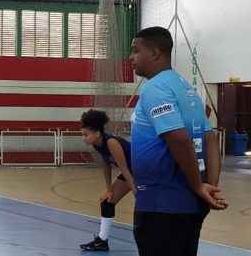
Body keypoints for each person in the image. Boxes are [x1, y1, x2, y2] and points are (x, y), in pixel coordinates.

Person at [129, 27, 226, 256]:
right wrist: (208, 187)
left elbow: (178, 139)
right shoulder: (185, 88)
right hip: (188, 206)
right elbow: (209, 138)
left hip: (161, 206)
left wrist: (197, 186)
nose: (131, 57)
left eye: (136, 51)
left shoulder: (156, 88)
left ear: (155, 53)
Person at [76, 109, 134, 252]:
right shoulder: (97, 144)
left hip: (141, 171)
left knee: (145, 207)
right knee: (107, 201)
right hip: (131, 172)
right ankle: (102, 241)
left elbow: (124, 169)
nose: (83, 138)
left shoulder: (111, 143)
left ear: (97, 133)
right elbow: (106, 166)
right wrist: (109, 190)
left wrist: (135, 190)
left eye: (86, 134)